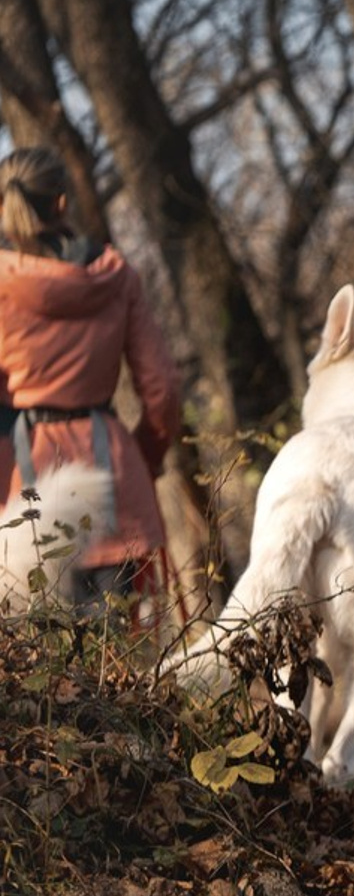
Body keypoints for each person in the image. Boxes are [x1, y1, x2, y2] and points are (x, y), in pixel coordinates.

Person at [0, 146, 181, 611]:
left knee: (40, 670)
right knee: (120, 663)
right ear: (61, 203)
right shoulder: (116, 274)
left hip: (24, 488)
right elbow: (161, 390)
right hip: (113, 480)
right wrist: (143, 459)